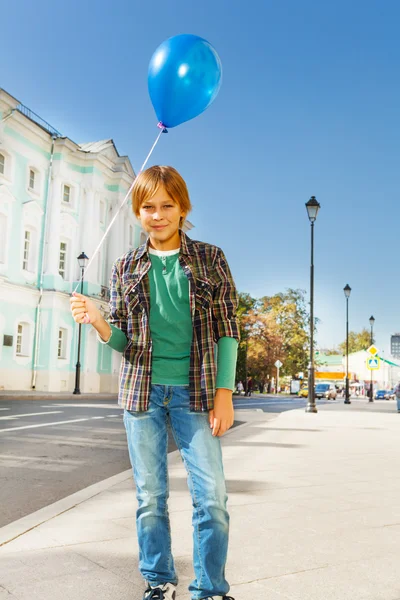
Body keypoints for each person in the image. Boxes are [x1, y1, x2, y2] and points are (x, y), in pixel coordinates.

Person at [70, 166, 239, 600]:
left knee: (213, 498)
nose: (158, 214)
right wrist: (99, 322)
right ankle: (158, 581)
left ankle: (210, 588)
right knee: (150, 498)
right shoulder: (126, 265)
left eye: (167, 205)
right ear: (137, 212)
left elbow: (227, 328)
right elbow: (126, 341)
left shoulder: (210, 258)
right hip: (141, 393)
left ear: (183, 209)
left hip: (196, 393)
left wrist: (224, 394)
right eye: (149, 207)